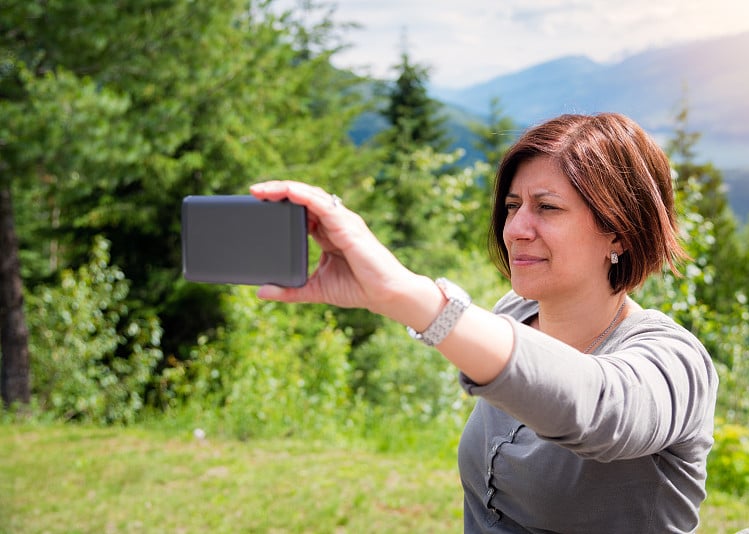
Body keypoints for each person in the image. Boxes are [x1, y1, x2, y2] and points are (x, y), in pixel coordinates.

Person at [249, 112, 718, 533]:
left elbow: (598, 409)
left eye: (547, 207)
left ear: (618, 229)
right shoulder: (514, 312)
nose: (515, 228)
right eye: (513, 206)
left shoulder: (673, 361)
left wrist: (406, 295)